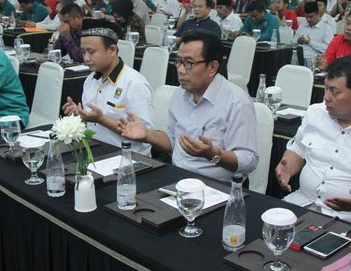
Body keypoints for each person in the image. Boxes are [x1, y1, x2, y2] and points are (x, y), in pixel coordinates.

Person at [118, 30, 258, 182]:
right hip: (178, 178)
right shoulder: (179, 94)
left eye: (189, 63)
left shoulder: (236, 102)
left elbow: (249, 160)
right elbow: (173, 142)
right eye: (178, 61)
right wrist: (147, 134)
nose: (180, 69)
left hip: (217, 187)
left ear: (212, 67)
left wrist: (213, 154)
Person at [275, 53, 351, 222]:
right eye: (326, 88)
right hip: (301, 203)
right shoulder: (315, 113)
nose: (326, 97)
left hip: (350, 219)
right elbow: (297, 151)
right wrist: (287, 168)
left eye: (335, 92)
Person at [61, 19, 154, 156]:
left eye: (91, 52)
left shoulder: (134, 84)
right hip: (96, 153)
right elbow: (92, 124)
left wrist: (101, 119)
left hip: (128, 158)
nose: (85, 58)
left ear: (112, 50)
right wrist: (80, 115)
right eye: (83, 51)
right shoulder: (90, 80)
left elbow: (146, 134)